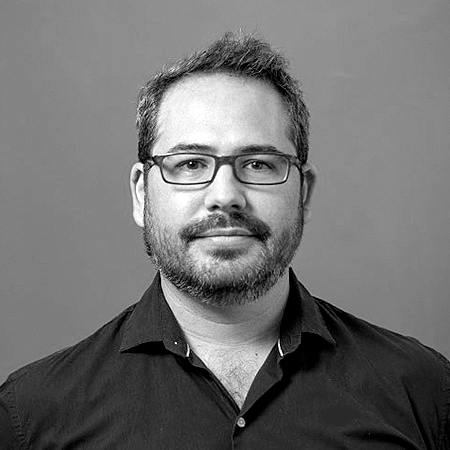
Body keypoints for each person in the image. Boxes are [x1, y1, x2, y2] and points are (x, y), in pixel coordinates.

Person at [0, 32, 449, 450]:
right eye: (190, 164)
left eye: (258, 164)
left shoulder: (424, 391)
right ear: (141, 193)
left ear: (304, 193)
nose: (225, 196)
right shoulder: (32, 416)